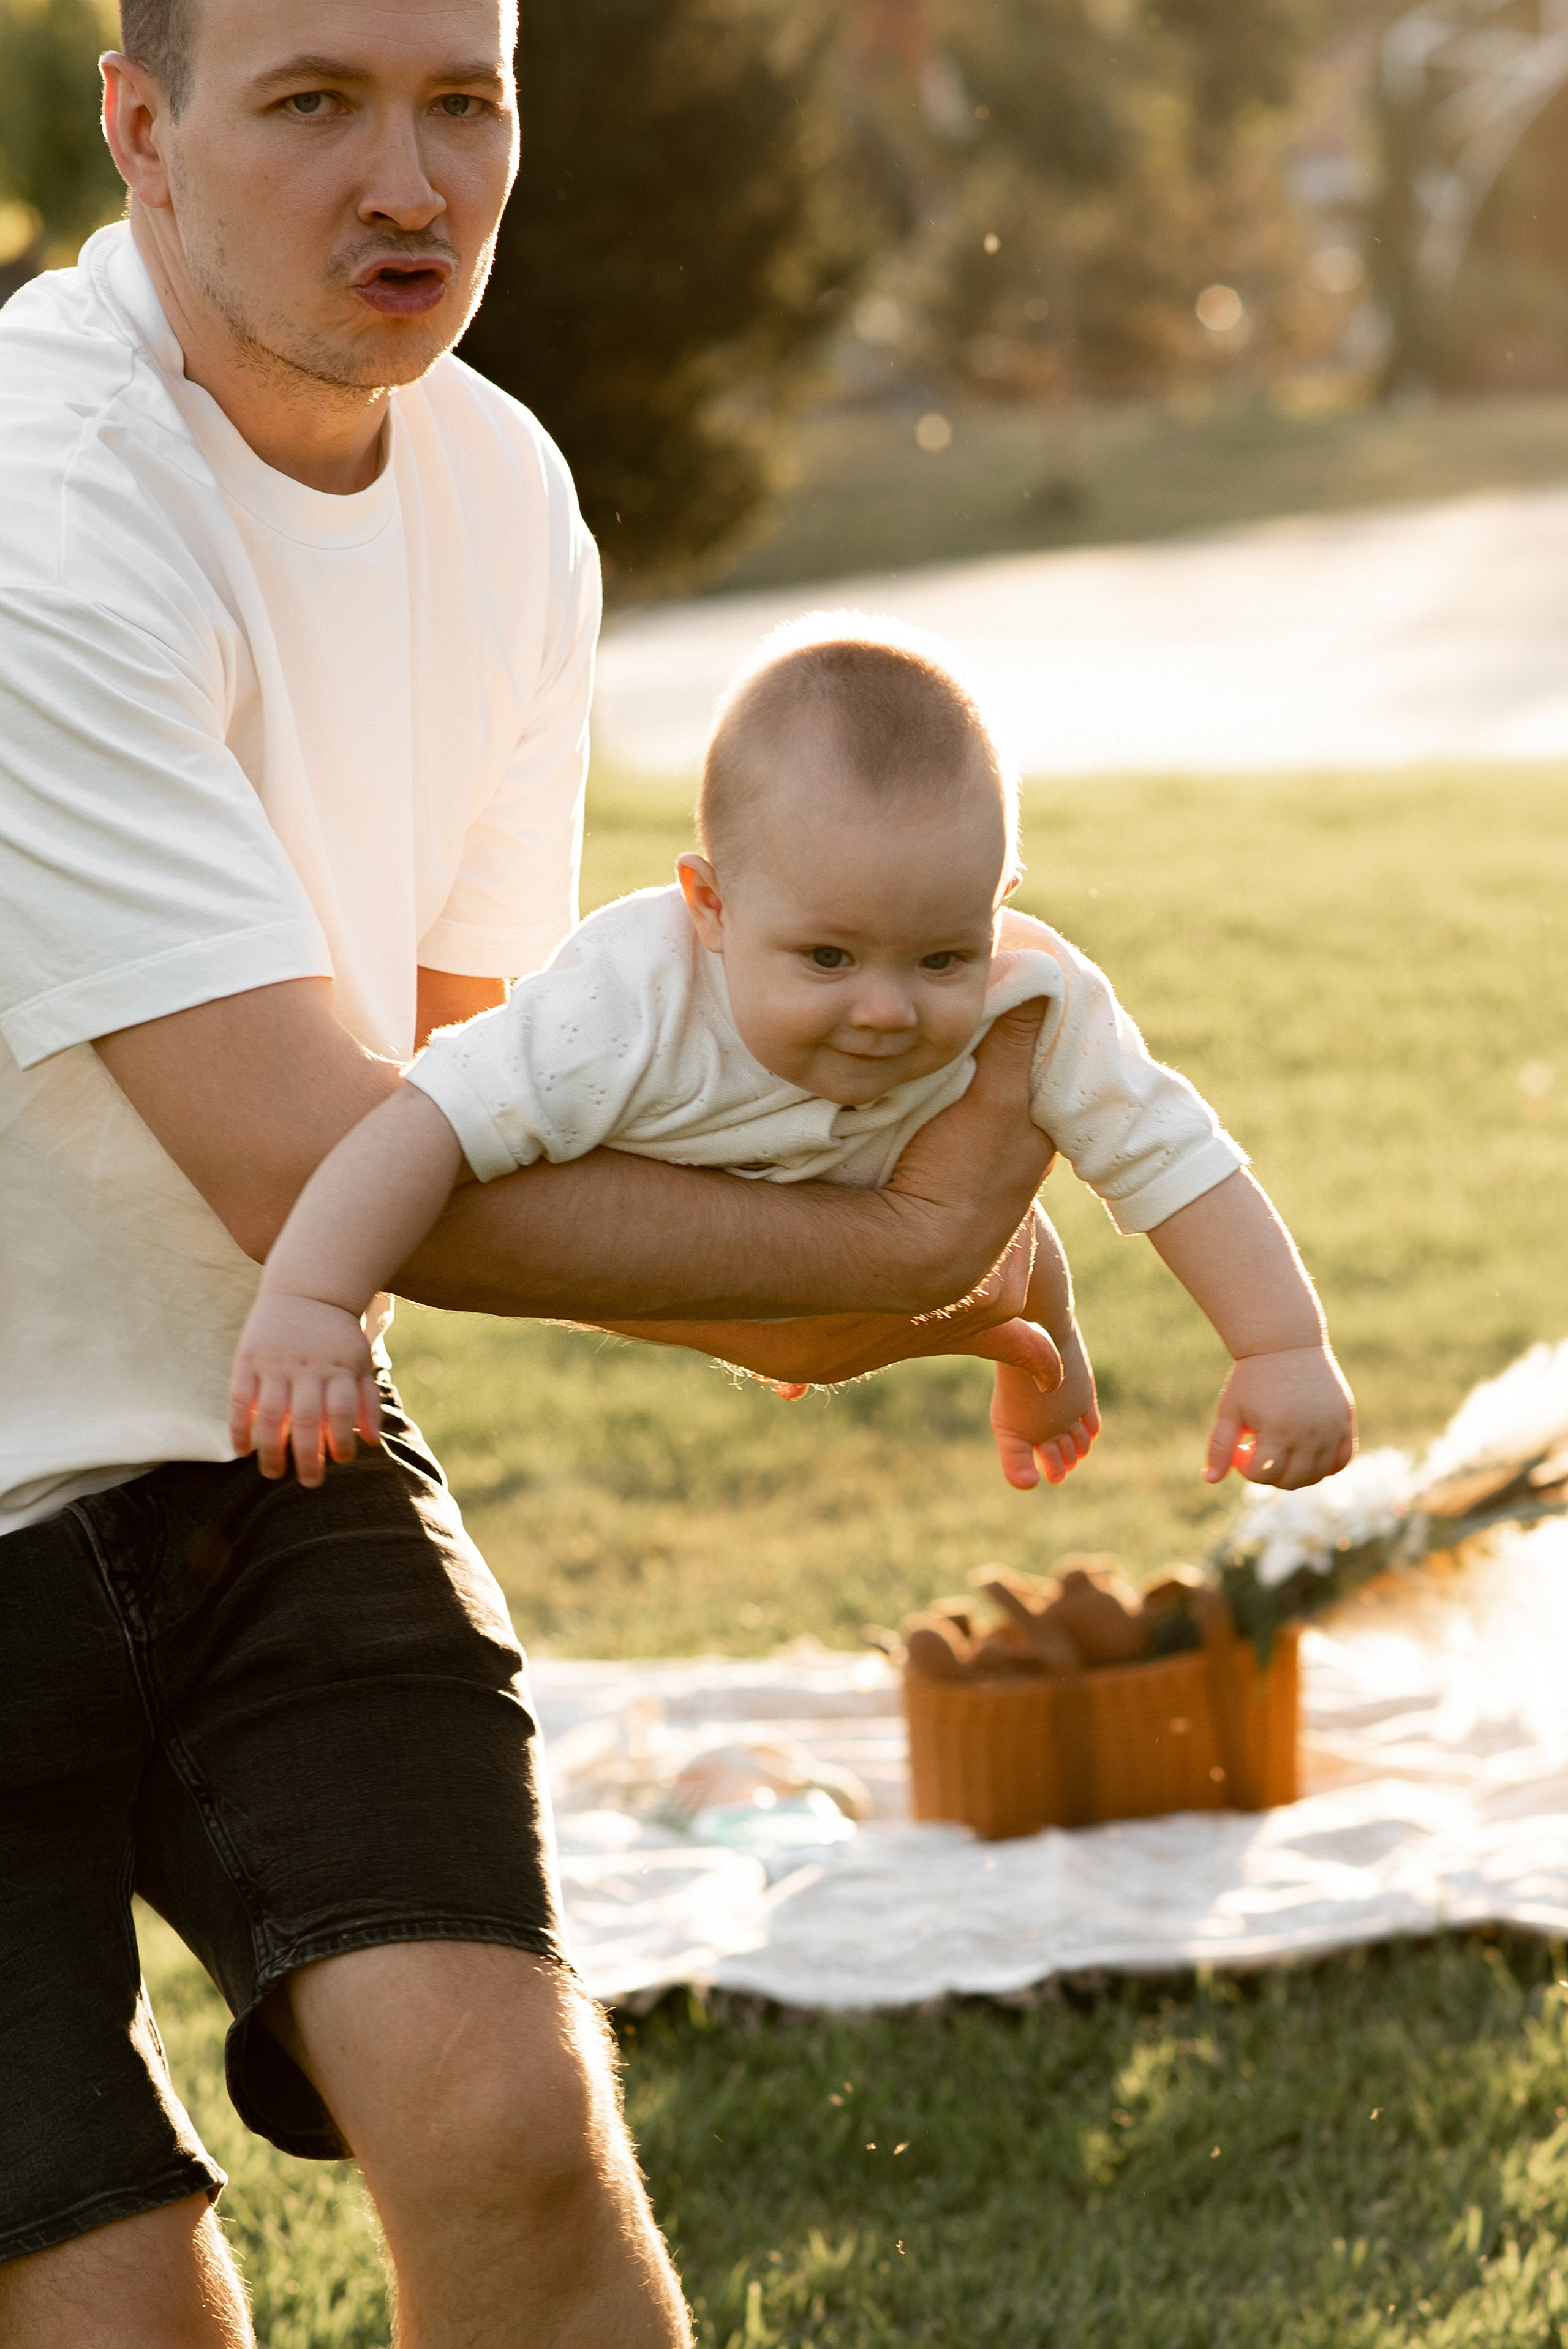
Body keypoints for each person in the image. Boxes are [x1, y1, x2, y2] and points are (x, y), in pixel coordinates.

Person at [0, 2, 1087, 2343]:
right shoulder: (41, 515)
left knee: (505, 2129)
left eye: (462, 102)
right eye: (312, 104)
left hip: (257, 1434)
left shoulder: (501, 496)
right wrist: (870, 1255)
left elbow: (478, 1081)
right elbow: (308, 1149)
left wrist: (902, 1183)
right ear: (142, 132)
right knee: (107, 2303)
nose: (409, 184)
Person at [233, 613, 1356, 1500]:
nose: (885, 1009)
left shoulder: (1034, 991)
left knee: (1030, 1212)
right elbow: (420, 1122)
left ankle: (1042, 1352)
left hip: (887, 1159)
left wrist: (1281, 1348)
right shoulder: (619, 1007)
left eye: (941, 956)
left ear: (997, 905)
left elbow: (1179, 1162)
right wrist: (314, 1302)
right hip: (698, 1176)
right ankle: (1013, 1327)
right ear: (711, 905)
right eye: (827, 955)